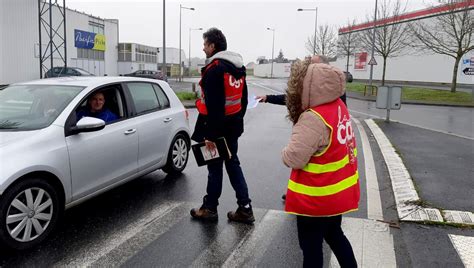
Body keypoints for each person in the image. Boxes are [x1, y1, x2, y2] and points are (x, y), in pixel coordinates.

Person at [282, 58, 359, 267]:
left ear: (307, 86)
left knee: (311, 248)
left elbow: (294, 158)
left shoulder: (313, 118)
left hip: (316, 199)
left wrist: (284, 152)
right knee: (335, 236)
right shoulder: (339, 106)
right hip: (337, 194)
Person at [257, 56, 347, 201]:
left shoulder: (315, 114)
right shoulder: (334, 97)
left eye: (312, 66)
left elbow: (294, 157)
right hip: (337, 191)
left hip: (316, 193)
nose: (308, 69)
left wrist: (289, 150)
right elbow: (291, 98)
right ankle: (298, 191)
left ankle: (301, 194)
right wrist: (268, 98)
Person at [190, 27, 254, 224]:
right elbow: (242, 101)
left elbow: (215, 106)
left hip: (217, 129)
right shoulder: (238, 68)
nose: (203, 49)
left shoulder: (214, 70)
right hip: (232, 128)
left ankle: (210, 209)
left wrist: (210, 135)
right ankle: (245, 208)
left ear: (213, 46)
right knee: (233, 164)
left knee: (215, 168)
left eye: (205, 45)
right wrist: (235, 123)